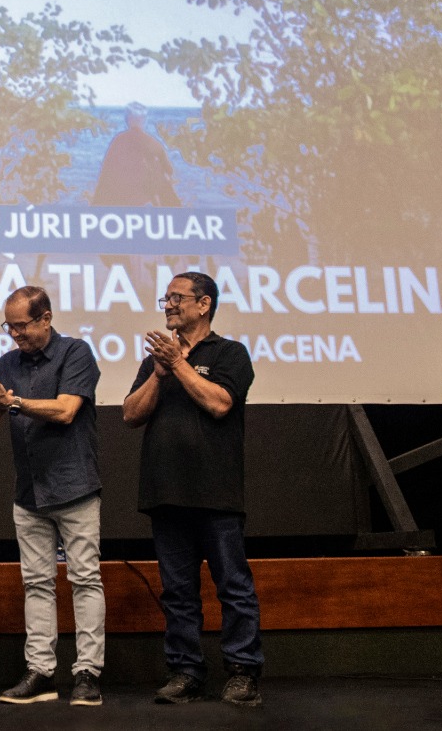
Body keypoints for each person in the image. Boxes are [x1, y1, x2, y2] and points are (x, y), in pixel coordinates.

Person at [122, 271, 262, 708]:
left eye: (177, 298)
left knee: (233, 587)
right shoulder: (157, 361)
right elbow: (130, 414)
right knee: (177, 591)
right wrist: (161, 372)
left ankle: (242, 672)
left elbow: (220, 403)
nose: (168, 305)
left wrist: (179, 365)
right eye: (165, 299)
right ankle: (185, 671)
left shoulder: (230, 353)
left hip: (216, 493)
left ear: (204, 305)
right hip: (166, 493)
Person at [0, 285, 104, 707]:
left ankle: (87, 673)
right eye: (8, 327)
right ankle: (41, 671)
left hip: (74, 486)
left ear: (45, 318)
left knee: (84, 579)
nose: (14, 334)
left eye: (21, 325)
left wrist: (12, 402)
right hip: (28, 491)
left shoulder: (75, 353)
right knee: (36, 584)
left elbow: (66, 411)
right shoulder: (7, 363)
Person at [92, 102, 179, 207]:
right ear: (143, 120)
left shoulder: (118, 141)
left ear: (127, 119)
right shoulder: (153, 143)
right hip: (143, 198)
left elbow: (105, 174)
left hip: (118, 199)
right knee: (159, 173)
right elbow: (169, 170)